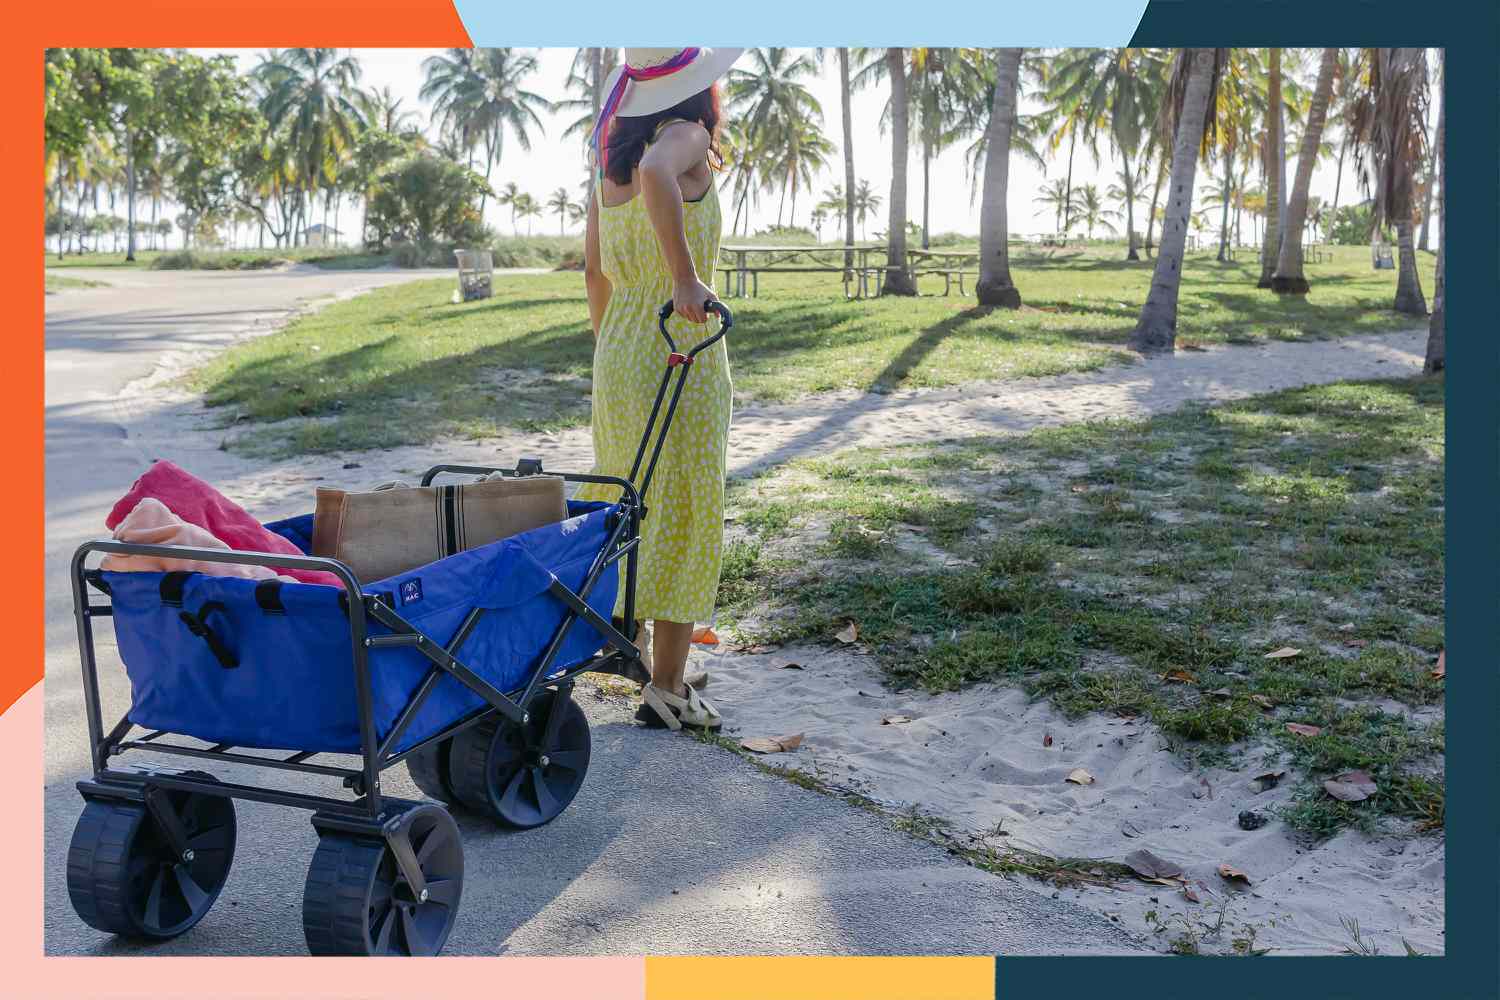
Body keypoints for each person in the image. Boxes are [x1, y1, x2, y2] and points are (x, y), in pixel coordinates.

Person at [576, 47, 743, 731]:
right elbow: (657, 174)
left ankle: (632, 647)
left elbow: (594, 270)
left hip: (618, 349)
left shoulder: (607, 165)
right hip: (681, 341)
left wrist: (614, 348)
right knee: (684, 505)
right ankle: (668, 687)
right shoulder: (687, 139)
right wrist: (682, 277)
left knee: (629, 499)